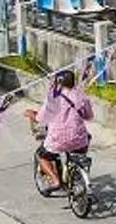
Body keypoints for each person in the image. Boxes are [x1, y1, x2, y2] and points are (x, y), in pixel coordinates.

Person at [33, 67, 93, 195]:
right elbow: (88, 116)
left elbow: (41, 118)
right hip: (79, 140)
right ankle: (79, 166)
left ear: (58, 82)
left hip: (57, 140)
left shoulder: (53, 99)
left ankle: (55, 180)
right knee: (86, 138)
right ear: (73, 82)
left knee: (41, 155)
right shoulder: (81, 97)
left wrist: (31, 114)